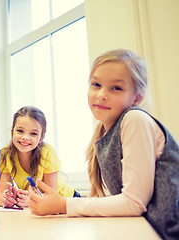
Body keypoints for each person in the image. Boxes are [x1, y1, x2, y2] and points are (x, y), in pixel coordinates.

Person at [27, 49, 179, 239]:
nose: (101, 94)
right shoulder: (105, 132)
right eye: (96, 84)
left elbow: (134, 202)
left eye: (116, 88)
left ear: (137, 97)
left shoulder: (135, 119)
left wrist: (64, 204)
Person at [0, 106, 79, 208]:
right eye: (20, 131)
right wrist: (7, 199)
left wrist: (29, 201)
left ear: (41, 138)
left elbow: (51, 196)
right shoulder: (6, 153)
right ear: (12, 132)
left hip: (67, 201)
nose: (25, 137)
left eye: (33, 133)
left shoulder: (47, 152)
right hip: (40, 208)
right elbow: (1, 194)